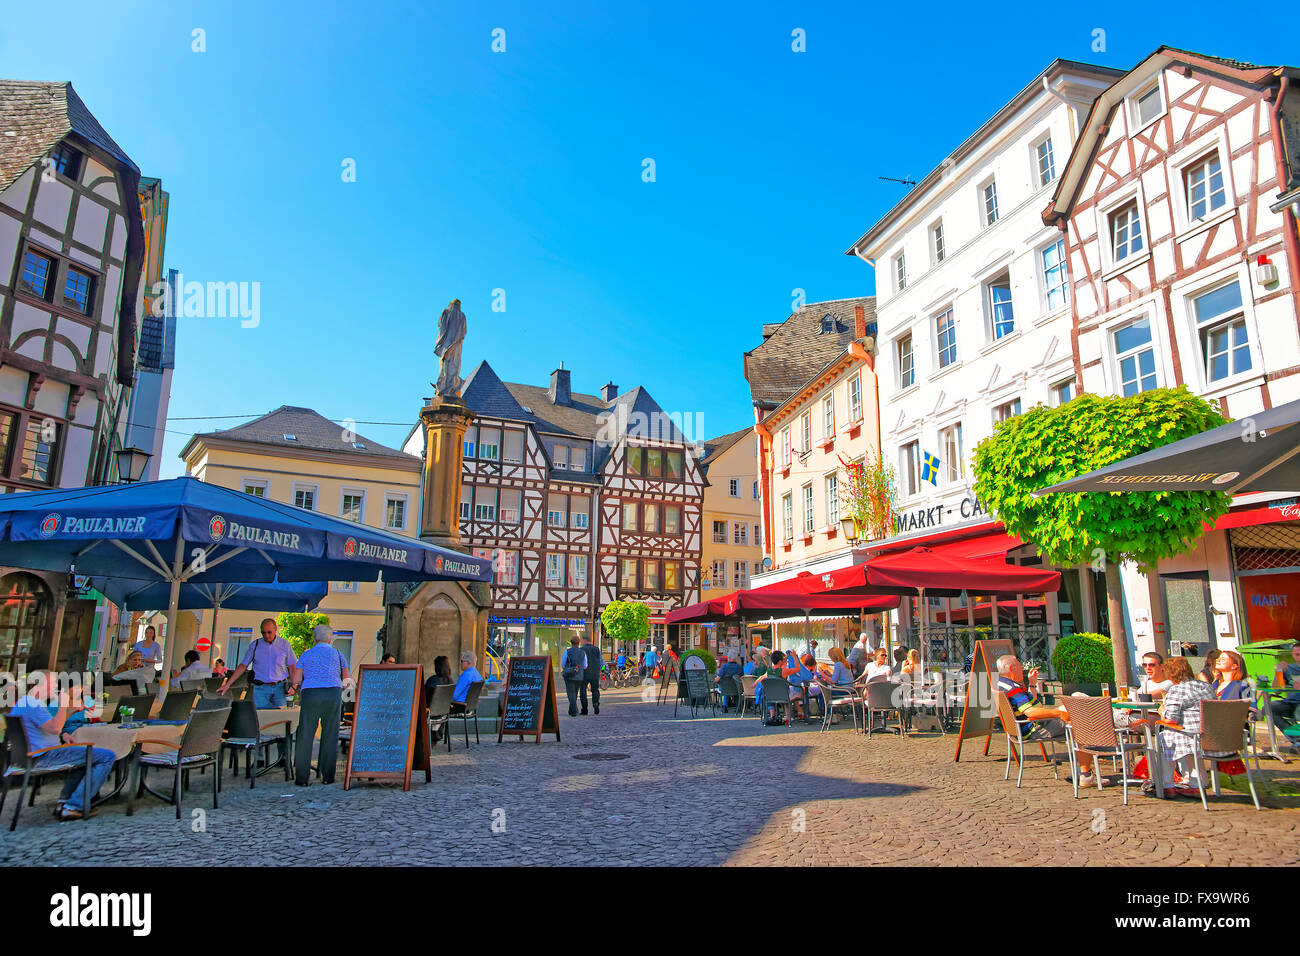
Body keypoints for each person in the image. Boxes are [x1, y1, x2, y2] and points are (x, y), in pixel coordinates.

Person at [10, 672, 116, 820]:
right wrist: (64, 705)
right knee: (107, 756)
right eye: (52, 683)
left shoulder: (26, 702)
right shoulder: (34, 704)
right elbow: (55, 728)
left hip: (30, 756)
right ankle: (74, 806)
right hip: (44, 756)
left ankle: (65, 803)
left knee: (84, 755)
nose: (56, 686)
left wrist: (65, 726)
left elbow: (49, 728)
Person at [994, 654, 1097, 786]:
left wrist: (1032, 683)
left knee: (1076, 701)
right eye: (1019, 666)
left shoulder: (1002, 684)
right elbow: (1031, 711)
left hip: (1026, 726)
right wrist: (1059, 714)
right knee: (1082, 721)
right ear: (1011, 668)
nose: (1022, 669)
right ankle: (1085, 774)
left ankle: (1082, 769)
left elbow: (1032, 704)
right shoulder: (1013, 689)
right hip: (1034, 727)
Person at [290, 624, 350, 787]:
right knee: (330, 734)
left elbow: (296, 678)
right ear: (330, 639)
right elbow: (346, 680)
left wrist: (293, 689)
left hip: (311, 694)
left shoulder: (306, 654)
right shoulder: (338, 654)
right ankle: (327, 776)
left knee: (306, 734)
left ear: (315, 638)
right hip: (332, 693)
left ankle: (302, 778)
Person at [1157, 657, 1216, 795]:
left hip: (1189, 737)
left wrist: (1162, 713)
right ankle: (1197, 784)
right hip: (1210, 736)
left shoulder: (1176, 690)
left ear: (1170, 674)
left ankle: (1167, 784)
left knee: (1163, 737)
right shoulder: (1206, 686)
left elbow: (1171, 719)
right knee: (1187, 741)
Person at [218, 618, 298, 709]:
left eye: (269, 632)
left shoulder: (284, 644)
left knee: (280, 719)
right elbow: (243, 666)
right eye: (263, 633)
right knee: (260, 718)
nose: (266, 635)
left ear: (275, 630)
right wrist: (227, 684)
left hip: (280, 688)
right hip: (260, 689)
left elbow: (292, 666)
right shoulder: (255, 645)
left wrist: (294, 685)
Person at [1213, 650, 1255, 715]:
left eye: (1223, 659)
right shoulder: (1216, 684)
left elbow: (1251, 709)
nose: (1217, 660)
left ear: (1234, 666)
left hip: (1231, 720)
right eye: (1218, 658)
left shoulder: (1240, 685)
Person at [1269, 642, 1300, 728]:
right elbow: (1277, 690)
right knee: (1268, 709)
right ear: (1292, 655)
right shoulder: (1288, 668)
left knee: (1298, 713)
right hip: (1289, 702)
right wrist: (1278, 671)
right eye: (1297, 655)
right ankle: (1295, 738)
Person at [450, 650, 483, 714]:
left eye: (462, 661)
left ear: (468, 662)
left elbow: (454, 696)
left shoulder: (466, 675)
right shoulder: (477, 674)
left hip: (459, 706)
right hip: (470, 707)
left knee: (439, 706)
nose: (460, 663)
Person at [560, 637, 586, 717]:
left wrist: (567, 668)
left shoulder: (567, 651)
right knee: (575, 693)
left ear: (571, 643)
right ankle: (571, 710)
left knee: (570, 693)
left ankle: (574, 710)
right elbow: (585, 665)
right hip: (579, 675)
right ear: (579, 643)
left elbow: (563, 664)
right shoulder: (583, 652)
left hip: (569, 675)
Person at [580, 634, 603, 715]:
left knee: (583, 691)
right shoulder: (596, 649)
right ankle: (595, 704)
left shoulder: (582, 649)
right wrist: (600, 670)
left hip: (585, 673)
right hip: (595, 673)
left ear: (584, 640)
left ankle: (584, 709)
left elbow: (581, 662)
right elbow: (601, 662)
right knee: (595, 690)